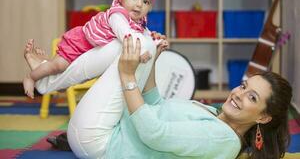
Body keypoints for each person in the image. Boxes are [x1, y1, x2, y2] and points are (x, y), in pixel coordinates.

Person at [64, 35, 292, 159]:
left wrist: (127, 76)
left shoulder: (223, 139)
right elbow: (156, 105)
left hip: (104, 142)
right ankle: (50, 73)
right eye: (243, 86)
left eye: (252, 98)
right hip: (113, 127)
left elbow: (154, 133)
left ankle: (50, 75)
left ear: (263, 117)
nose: (239, 94)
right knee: (144, 44)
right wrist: (153, 62)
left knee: (136, 40)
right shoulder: (214, 115)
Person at [23, 0, 158, 99]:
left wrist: (153, 40)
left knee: (67, 75)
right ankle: (31, 78)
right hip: (79, 43)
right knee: (57, 66)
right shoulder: (117, 15)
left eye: (146, 1)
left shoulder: (139, 21)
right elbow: (127, 36)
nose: (139, 4)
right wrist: (141, 53)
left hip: (90, 49)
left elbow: (145, 35)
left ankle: (45, 64)